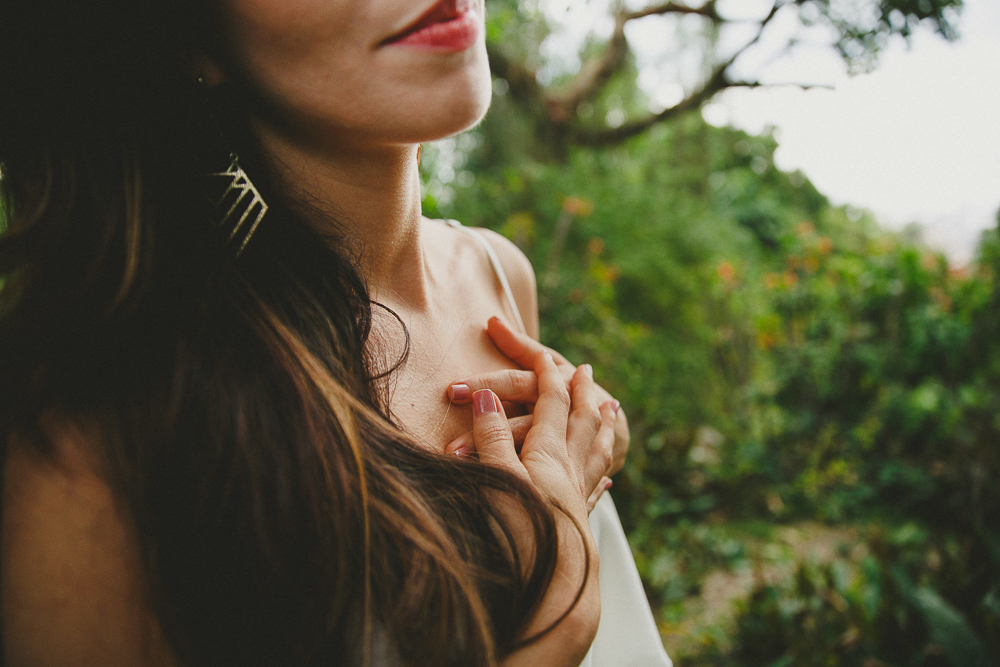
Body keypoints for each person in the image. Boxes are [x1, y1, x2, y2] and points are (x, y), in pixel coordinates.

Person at [0, 0, 668, 665]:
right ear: (186, 35)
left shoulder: (501, 276)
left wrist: (589, 428)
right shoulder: (87, 454)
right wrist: (559, 620)